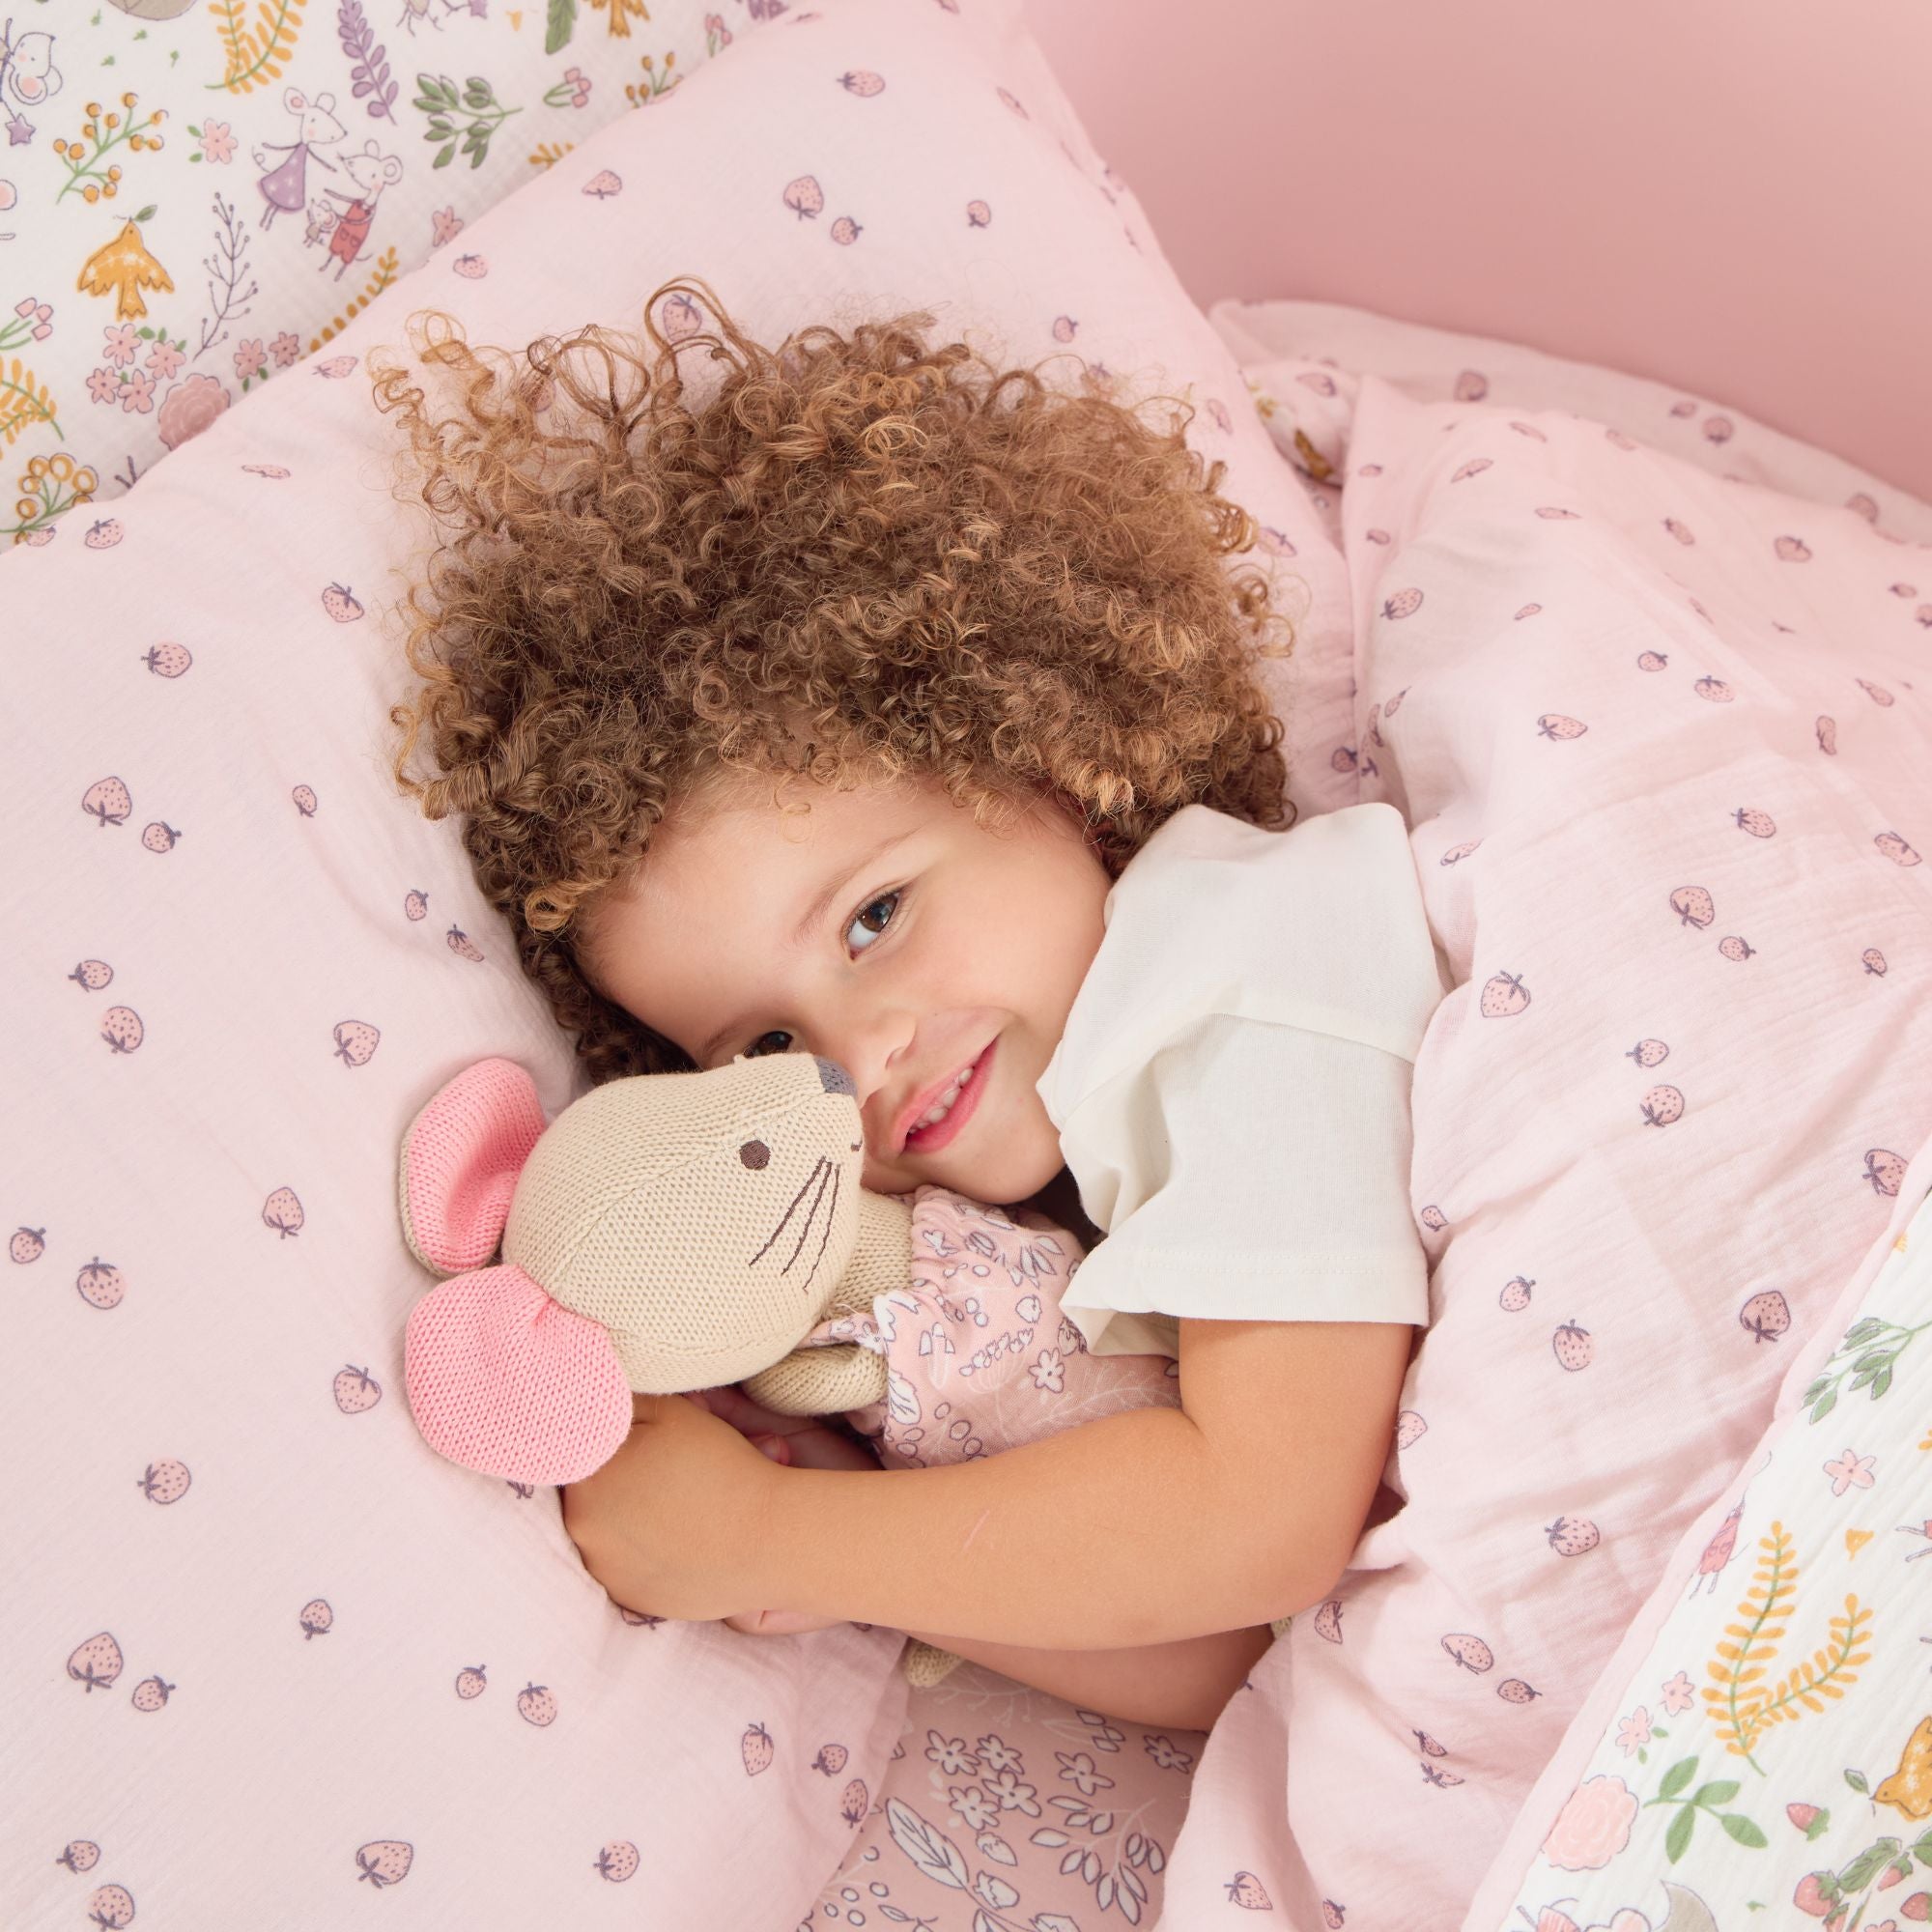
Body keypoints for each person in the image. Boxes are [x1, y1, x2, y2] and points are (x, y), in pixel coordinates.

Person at [375, 277, 1442, 1734]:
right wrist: (851, 1556)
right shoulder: (1054, 1208)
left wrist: (772, 1540)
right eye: (765, 1046)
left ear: (1051, 757)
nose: (856, 1059)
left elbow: (1262, 1524)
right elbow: (1239, 1662)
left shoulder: (1242, 959)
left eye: (875, 917)